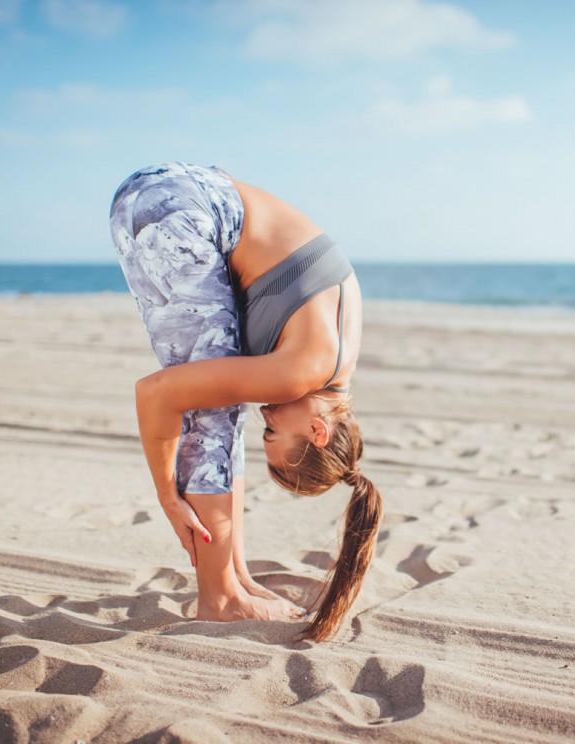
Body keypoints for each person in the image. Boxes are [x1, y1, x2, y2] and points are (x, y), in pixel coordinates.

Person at [108, 161, 383, 641]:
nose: (268, 417)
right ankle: (219, 599)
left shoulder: (339, 358)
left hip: (180, 194)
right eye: (274, 432)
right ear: (318, 431)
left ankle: (236, 579)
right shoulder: (302, 371)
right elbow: (155, 395)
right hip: (179, 210)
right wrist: (167, 496)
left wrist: (239, 571)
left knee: (222, 402)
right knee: (209, 417)